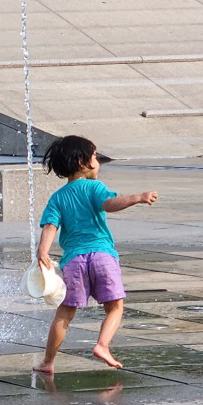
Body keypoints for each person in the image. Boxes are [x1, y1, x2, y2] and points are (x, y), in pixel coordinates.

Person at [33, 135, 158, 373]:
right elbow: (109, 204)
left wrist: (43, 251)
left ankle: (48, 362)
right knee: (115, 306)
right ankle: (102, 345)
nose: (97, 160)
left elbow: (50, 225)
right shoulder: (95, 188)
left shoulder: (58, 197)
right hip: (102, 256)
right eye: (95, 156)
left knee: (65, 312)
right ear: (83, 162)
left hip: (74, 261)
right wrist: (137, 198)